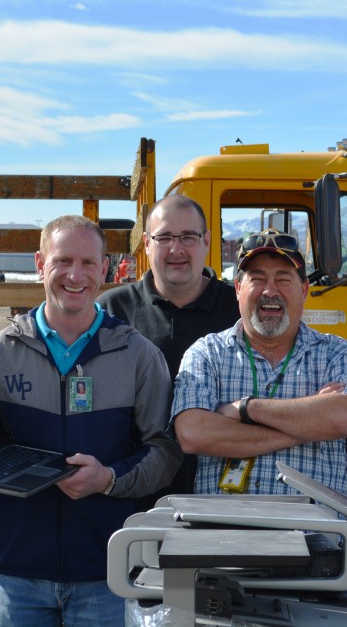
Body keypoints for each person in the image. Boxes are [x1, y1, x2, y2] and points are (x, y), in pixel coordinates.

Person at [0, 214, 182, 626]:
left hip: (105, 575)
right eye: (63, 261)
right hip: (17, 577)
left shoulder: (138, 356)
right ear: (39, 264)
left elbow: (166, 450)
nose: (75, 275)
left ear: (105, 269)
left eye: (88, 263)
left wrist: (109, 478)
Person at [172, 229, 347, 495]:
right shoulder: (207, 353)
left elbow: (346, 418)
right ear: (239, 289)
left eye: (283, 278)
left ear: (304, 290)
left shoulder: (336, 351)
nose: (270, 290)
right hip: (225, 532)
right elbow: (192, 433)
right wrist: (309, 425)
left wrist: (246, 409)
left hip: (313, 534)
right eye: (258, 278)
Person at [97, 194, 239, 496]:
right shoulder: (110, 312)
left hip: (219, 494)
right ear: (147, 244)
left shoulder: (239, 311)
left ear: (207, 241)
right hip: (130, 493)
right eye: (164, 238)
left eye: (188, 236)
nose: (176, 249)